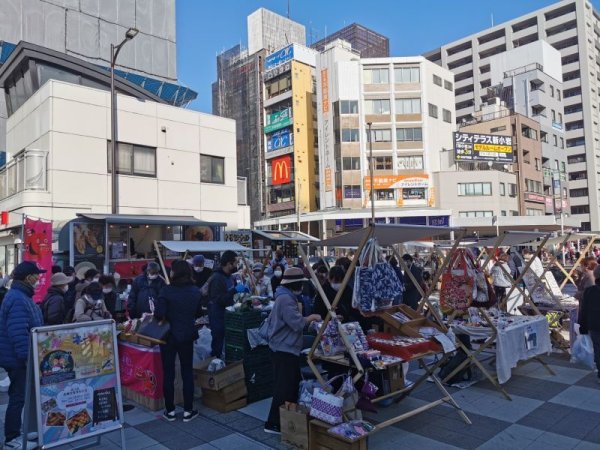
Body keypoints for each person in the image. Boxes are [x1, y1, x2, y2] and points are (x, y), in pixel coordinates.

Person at [264, 267, 321, 434]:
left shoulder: (285, 297)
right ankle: (273, 423)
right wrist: (312, 318)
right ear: (296, 284)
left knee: (290, 385)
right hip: (284, 349)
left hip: (285, 347)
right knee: (284, 387)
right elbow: (296, 323)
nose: (302, 288)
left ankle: (287, 419)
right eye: (301, 284)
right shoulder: (286, 300)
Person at [0, 261, 45, 449]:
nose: (39, 277)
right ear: (28, 277)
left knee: (22, 396)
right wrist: (27, 359)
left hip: (18, 356)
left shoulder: (21, 295)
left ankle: (22, 430)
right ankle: (11, 438)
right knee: (17, 396)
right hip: (18, 358)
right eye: (37, 274)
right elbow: (18, 333)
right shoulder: (18, 298)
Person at [155, 260, 202, 422]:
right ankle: (188, 410)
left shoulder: (166, 290)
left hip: (168, 336)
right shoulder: (195, 291)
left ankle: (170, 411)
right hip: (187, 334)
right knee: (187, 371)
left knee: (168, 372)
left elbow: (159, 313)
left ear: (174, 273)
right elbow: (197, 313)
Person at [208, 251, 239, 358]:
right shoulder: (217, 278)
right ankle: (215, 366)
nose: (236, 265)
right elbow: (219, 299)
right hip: (218, 316)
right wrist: (234, 291)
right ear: (229, 264)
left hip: (227, 315)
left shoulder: (229, 277)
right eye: (235, 263)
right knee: (218, 344)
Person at [579, 265, 600, 384]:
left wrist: (583, 327)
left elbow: (584, 310)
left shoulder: (589, 291)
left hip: (595, 325)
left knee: (598, 349)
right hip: (595, 325)